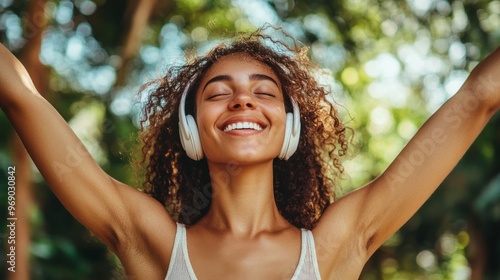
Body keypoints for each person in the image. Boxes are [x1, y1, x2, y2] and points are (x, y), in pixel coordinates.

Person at [0, 27, 499, 279]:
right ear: (191, 130)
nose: (242, 100)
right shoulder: (150, 240)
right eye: (218, 93)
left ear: (290, 126)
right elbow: (22, 98)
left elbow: (478, 98)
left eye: (264, 93)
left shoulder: (333, 247)